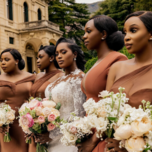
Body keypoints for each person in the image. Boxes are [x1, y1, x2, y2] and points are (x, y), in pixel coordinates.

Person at [76, 15, 128, 152]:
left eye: (88, 31)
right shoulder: (96, 63)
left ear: (103, 34)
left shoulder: (117, 59)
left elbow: (114, 107)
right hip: (90, 131)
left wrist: (93, 142)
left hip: (103, 136)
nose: (84, 36)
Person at [106, 11, 152, 152]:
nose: (126, 37)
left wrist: (132, 146)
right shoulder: (116, 68)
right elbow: (105, 112)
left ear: (151, 34)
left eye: (133, 30)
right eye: (125, 32)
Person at [36, 37, 86, 152]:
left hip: (68, 138)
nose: (59, 56)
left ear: (74, 54)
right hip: (50, 136)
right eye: (57, 53)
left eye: (63, 52)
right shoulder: (60, 79)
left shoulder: (79, 78)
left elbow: (79, 115)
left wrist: (53, 134)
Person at [0, 48, 36, 152]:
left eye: (6, 60)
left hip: (28, 126)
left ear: (16, 60)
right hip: (5, 128)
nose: (3, 63)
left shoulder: (31, 77)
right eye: (1, 60)